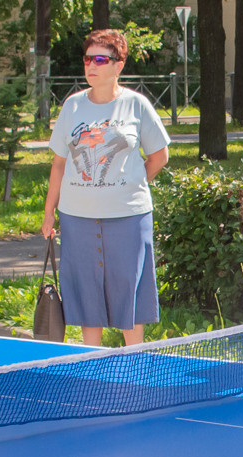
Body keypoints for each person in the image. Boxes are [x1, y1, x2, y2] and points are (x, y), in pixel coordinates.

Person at [44, 29, 172, 346]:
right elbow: (59, 163)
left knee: (130, 289)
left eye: (101, 59)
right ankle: (93, 363)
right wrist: (49, 214)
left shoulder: (136, 105)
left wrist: (131, 182)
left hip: (129, 216)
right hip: (77, 217)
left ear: (119, 64)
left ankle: (135, 361)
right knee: (88, 293)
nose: (92, 65)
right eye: (88, 58)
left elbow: (159, 156)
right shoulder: (72, 107)